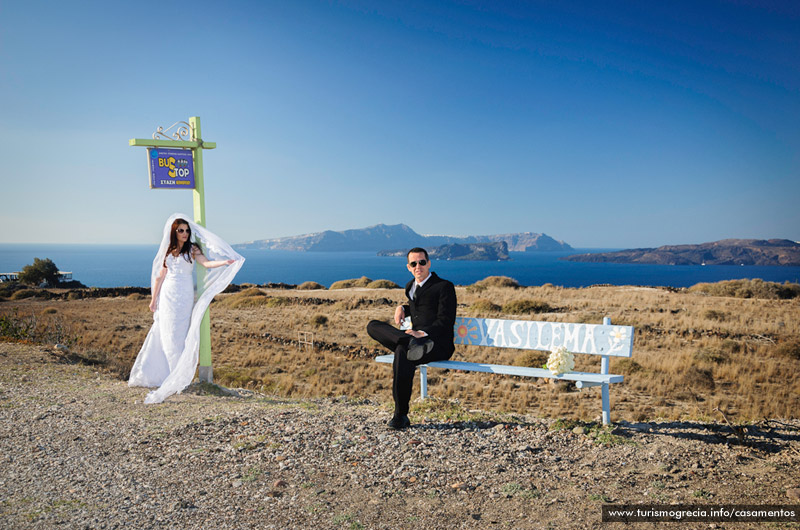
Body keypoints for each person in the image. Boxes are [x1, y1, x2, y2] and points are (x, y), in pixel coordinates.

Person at [129, 213, 244, 403]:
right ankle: (163, 374)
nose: (184, 233)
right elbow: (159, 277)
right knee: (165, 332)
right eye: (181, 230)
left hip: (183, 296)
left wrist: (224, 262)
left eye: (187, 230)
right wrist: (153, 300)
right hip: (167, 295)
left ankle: (178, 376)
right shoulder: (168, 251)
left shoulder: (192, 249)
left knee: (180, 334)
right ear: (174, 232)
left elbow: (206, 263)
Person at [367, 247, 456, 429]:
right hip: (415, 344)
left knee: (402, 352)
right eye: (414, 263)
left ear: (429, 263)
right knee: (372, 326)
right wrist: (402, 307)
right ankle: (407, 341)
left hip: (436, 343)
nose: (418, 266)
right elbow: (419, 307)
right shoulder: (410, 286)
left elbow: (446, 320)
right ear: (408, 267)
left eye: (422, 262)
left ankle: (400, 415)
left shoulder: (444, 287)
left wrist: (421, 333)